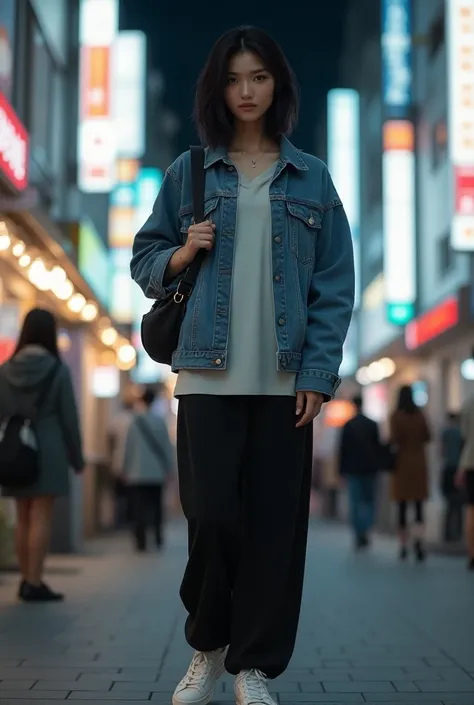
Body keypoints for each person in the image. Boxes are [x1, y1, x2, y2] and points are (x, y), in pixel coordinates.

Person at [131, 26, 354, 705]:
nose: (247, 90)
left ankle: (253, 666)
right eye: (234, 79)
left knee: (274, 531)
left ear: (277, 85)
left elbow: (334, 285)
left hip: (284, 384)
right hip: (204, 374)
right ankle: (208, 643)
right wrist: (180, 251)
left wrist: (318, 374)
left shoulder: (312, 178)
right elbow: (144, 260)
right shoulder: (190, 173)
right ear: (217, 91)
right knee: (211, 517)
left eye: (258, 77)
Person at [0, 308, 84, 601]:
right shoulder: (57, 370)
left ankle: (25, 579)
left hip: (15, 448)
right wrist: (77, 456)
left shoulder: (5, 370)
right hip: (48, 448)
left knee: (22, 517)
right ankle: (35, 581)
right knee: (41, 516)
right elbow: (69, 418)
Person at [123, 387, 175, 552]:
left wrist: (124, 468)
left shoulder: (135, 422)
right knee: (157, 506)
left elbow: (128, 448)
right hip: (156, 472)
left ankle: (141, 541)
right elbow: (167, 448)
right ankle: (158, 538)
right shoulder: (160, 421)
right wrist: (169, 468)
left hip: (137, 473)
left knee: (138, 507)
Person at [390, 385, 431, 562]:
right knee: (419, 506)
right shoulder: (420, 414)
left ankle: (403, 546)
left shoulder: (395, 416)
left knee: (402, 507)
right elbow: (429, 436)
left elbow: (392, 439)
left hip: (401, 465)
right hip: (419, 464)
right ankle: (419, 542)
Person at [339, 395, 382, 550]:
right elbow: (378, 447)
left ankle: (359, 532)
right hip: (370, 469)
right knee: (369, 501)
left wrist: (341, 470)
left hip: (353, 469)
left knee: (355, 502)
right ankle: (366, 528)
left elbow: (342, 450)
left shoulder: (349, 425)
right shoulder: (372, 424)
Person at [107, 390, 135, 528]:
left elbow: (110, 440)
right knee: (132, 496)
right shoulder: (136, 419)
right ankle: (130, 521)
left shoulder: (116, 420)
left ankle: (118, 521)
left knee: (119, 495)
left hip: (118, 462)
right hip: (134, 465)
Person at [456, 394, 474, 570]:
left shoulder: (469, 403)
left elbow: (464, 435)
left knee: (471, 508)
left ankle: (472, 553)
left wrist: (460, 468)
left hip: (470, 461)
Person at [440, 412, 464, 543]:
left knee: (449, 505)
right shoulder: (460, 433)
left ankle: (447, 534)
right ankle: (458, 533)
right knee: (459, 505)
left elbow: (441, 452)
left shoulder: (445, 432)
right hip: (459, 469)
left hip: (448, 469)